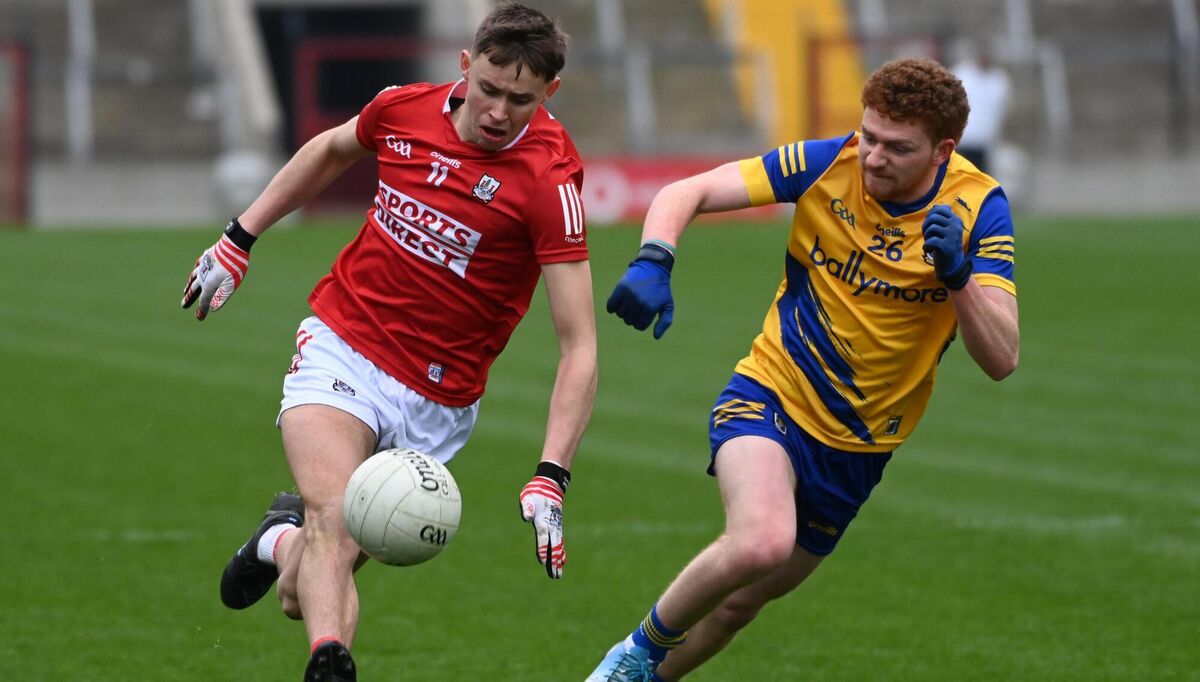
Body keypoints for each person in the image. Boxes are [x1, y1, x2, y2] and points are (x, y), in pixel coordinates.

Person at [180, 5, 596, 681]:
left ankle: (275, 541)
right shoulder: (403, 110)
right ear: (466, 66)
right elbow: (329, 149)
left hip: (438, 400)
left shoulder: (550, 181)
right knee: (332, 517)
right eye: (489, 88)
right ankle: (330, 662)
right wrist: (240, 237)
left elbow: (579, 346)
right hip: (342, 343)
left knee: (308, 577)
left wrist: (552, 475)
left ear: (549, 94)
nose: (497, 111)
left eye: (520, 100)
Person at [587, 57, 1019, 681]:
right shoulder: (828, 163)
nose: (872, 157)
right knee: (760, 541)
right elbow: (690, 191)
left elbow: (1002, 358)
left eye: (897, 148)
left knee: (739, 604)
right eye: (868, 136)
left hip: (861, 445)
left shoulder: (979, 209)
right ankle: (632, 655)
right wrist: (656, 257)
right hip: (772, 393)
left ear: (942, 149)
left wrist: (956, 276)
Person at [951, 42, 1011, 174]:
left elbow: (1001, 109)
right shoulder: (963, 74)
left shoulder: (999, 79)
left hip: (985, 141)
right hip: (963, 140)